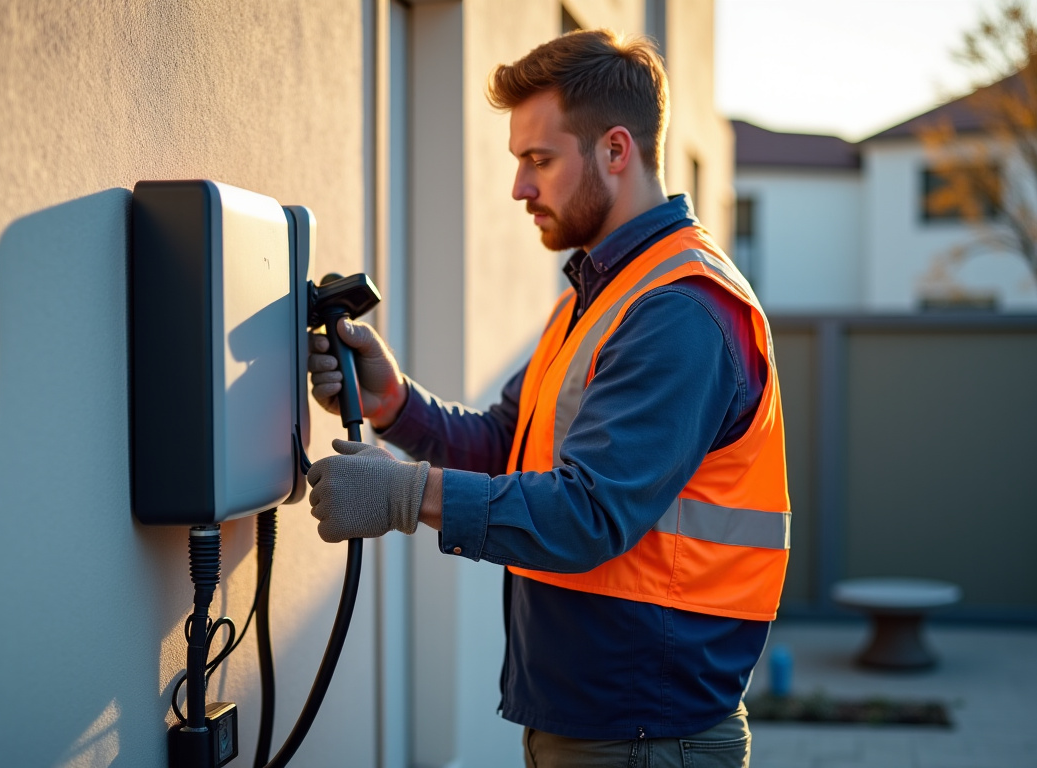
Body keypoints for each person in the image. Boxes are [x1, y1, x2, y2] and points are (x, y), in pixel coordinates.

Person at [305, 29, 789, 768]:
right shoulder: (600, 294)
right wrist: (394, 401)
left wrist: (407, 495)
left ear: (616, 151)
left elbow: (590, 514)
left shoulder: (679, 310)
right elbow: (510, 442)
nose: (519, 188)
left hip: (647, 737)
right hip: (602, 727)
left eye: (539, 160)